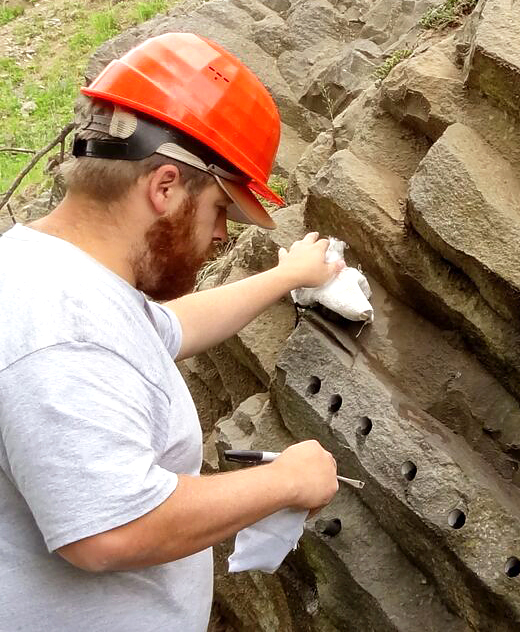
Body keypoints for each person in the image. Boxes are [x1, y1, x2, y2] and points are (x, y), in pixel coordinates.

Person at [0, 33, 341, 630]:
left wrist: (286, 277)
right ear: (164, 188)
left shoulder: (62, 274)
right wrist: (285, 481)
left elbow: (164, 329)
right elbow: (109, 530)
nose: (222, 237)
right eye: (219, 211)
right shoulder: (60, 329)